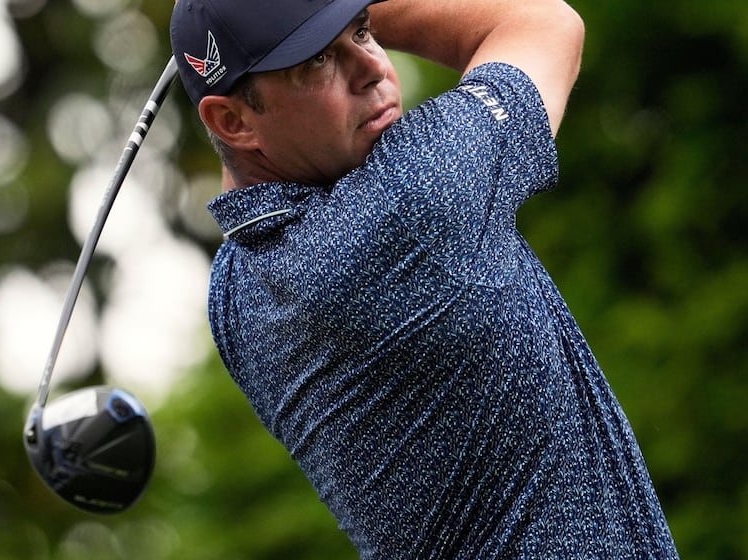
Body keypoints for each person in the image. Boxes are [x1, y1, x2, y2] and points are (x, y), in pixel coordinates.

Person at [170, 0, 679, 557]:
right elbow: (547, 22)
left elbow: (244, 169)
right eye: (316, 61)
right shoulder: (412, 199)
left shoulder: (234, 292)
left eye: (363, 30)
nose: (372, 68)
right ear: (233, 121)